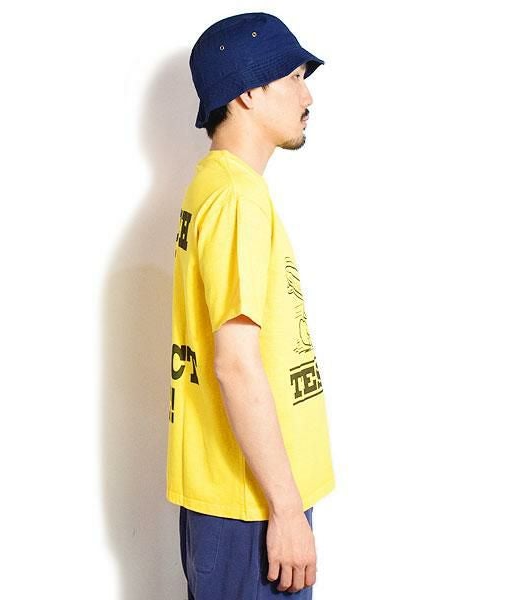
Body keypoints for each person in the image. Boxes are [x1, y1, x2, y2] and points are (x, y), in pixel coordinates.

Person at [167, 12, 335, 598]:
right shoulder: (237, 198)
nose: (307, 96)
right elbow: (235, 363)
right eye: (293, 77)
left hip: (234, 496)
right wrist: (285, 510)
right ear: (246, 92)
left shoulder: (213, 186)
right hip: (253, 505)